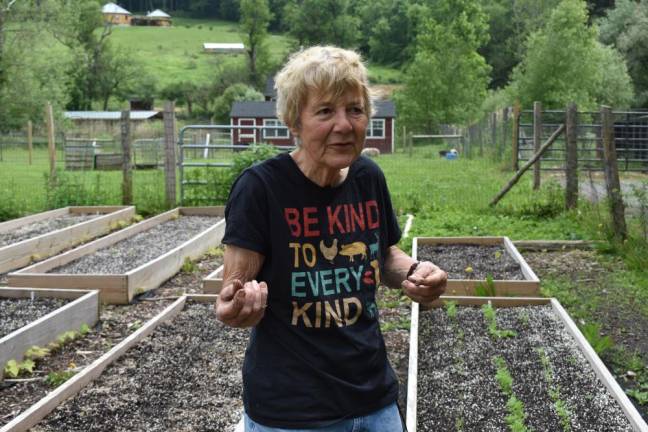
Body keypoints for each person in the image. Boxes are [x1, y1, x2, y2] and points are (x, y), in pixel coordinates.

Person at [216, 46, 447, 432]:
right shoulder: (261, 188)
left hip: (374, 398)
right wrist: (234, 308)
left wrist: (417, 272)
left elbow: (385, 254)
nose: (344, 124)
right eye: (325, 111)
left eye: (354, 110)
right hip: (292, 410)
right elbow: (233, 289)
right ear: (295, 122)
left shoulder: (367, 177)